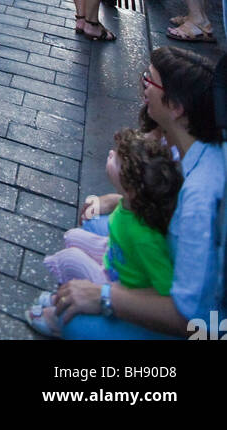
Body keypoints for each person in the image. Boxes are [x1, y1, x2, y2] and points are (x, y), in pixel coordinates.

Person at [45, 47, 224, 340]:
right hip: (167, 258)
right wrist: (113, 200)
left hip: (204, 322)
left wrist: (104, 297)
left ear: (176, 107)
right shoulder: (191, 146)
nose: (143, 86)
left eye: (149, 80)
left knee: (73, 323)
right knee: (94, 222)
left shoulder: (199, 198)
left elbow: (192, 318)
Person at [28, 128, 181, 333]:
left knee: (70, 258)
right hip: (115, 259)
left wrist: (115, 294)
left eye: (117, 159)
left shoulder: (144, 237)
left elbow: (164, 289)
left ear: (131, 187)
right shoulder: (130, 204)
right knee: (74, 236)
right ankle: (67, 296)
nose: (110, 153)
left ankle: (59, 316)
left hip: (120, 282)